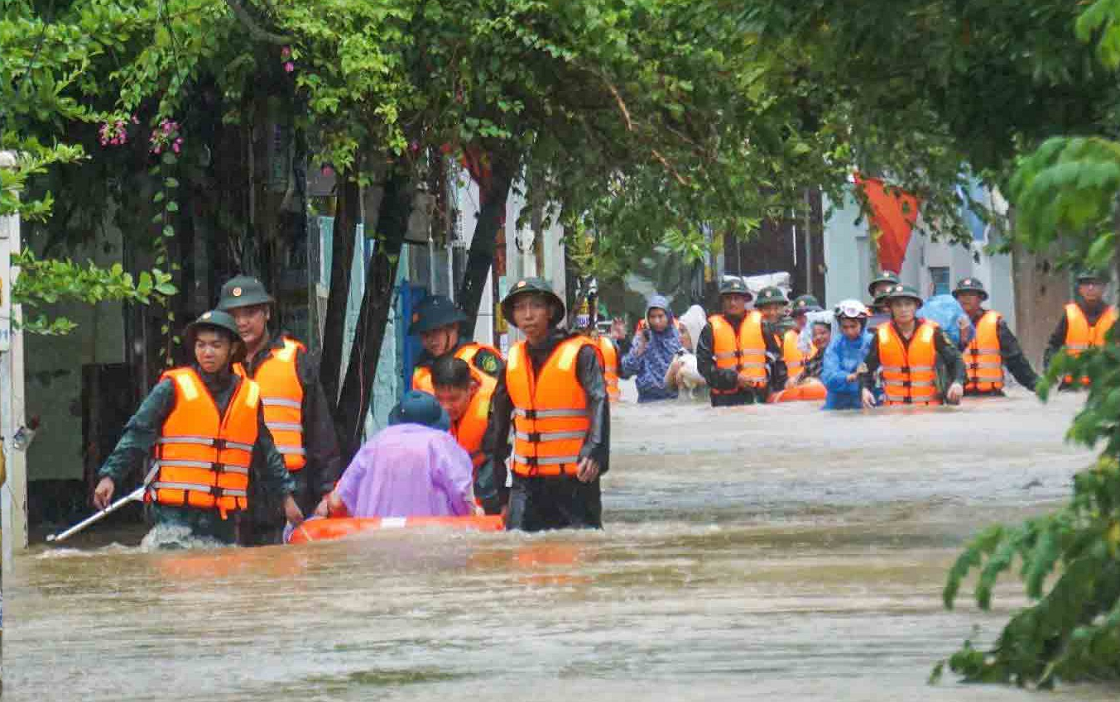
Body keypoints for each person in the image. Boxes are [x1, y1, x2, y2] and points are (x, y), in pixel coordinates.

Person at [92, 311, 302, 545]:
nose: (207, 352)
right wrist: (110, 476)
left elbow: (266, 453)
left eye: (215, 345)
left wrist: (286, 497)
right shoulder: (172, 387)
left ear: (232, 349)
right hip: (174, 514)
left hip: (223, 519)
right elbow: (138, 433)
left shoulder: (249, 395)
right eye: (201, 345)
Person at [215, 275, 341, 546]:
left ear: (267, 313)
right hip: (234, 487)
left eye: (249, 313)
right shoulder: (217, 366)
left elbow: (320, 431)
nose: (242, 322)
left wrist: (328, 492)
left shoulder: (295, 359)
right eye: (234, 315)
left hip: (292, 487)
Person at [485, 277, 609, 531]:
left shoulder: (581, 353)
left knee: (579, 557)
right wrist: (500, 492)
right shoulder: (513, 361)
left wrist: (596, 449)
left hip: (574, 481)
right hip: (525, 484)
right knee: (518, 555)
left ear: (550, 311)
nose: (528, 315)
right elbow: (497, 430)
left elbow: (600, 399)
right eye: (520, 308)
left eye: (535, 306)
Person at [326, 391, 479, 518]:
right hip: (431, 542)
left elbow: (336, 503)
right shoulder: (442, 444)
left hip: (374, 542)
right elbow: (463, 495)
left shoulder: (375, 444)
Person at [860, 285, 966, 407]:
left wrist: (958, 382)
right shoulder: (881, 334)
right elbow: (866, 367)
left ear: (916, 306)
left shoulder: (933, 331)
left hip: (929, 409)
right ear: (891, 308)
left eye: (908, 304)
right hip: (893, 410)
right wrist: (864, 389)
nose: (903, 309)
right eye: (898, 305)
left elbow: (956, 359)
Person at [696, 277, 787, 406]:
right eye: (728, 298)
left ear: (745, 300)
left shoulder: (762, 324)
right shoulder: (710, 328)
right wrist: (734, 378)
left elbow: (778, 361)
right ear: (722, 301)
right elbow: (703, 365)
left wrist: (778, 391)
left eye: (737, 298)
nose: (732, 303)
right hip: (724, 400)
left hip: (757, 396)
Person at [431, 356, 498, 511]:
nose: (446, 407)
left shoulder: (494, 410)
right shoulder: (428, 411)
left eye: (453, 399)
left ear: (472, 388)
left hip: (489, 489)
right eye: (439, 399)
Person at [951, 277, 1039, 396]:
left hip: (991, 395)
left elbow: (1016, 361)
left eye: (971, 294)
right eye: (962, 294)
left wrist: (1036, 385)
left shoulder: (996, 324)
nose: (966, 298)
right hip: (960, 395)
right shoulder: (949, 325)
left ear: (980, 298)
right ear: (956, 299)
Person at [409, 294, 503, 393]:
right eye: (425, 335)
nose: (431, 340)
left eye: (435, 331)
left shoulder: (479, 357)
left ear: (454, 327)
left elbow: (502, 397)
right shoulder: (422, 367)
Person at [1044, 270, 1118, 389]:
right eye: (1086, 284)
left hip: (1105, 387)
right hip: (1071, 386)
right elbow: (1054, 345)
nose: (1090, 288)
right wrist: (1050, 371)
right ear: (1080, 289)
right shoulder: (1070, 314)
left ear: (1104, 288)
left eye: (1095, 284)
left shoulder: (1115, 317)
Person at [621, 295, 683, 403]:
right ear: (647, 318)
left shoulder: (679, 337)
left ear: (668, 316)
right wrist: (641, 348)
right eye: (652, 317)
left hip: (674, 400)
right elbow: (627, 370)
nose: (656, 321)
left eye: (660, 316)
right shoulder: (642, 337)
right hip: (646, 400)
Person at [821, 301, 874, 410]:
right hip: (836, 402)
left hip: (865, 399)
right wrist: (849, 377)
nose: (849, 331)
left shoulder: (872, 342)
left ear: (862, 324)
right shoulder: (835, 345)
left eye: (853, 326)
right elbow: (828, 376)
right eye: (844, 327)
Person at [785, 294, 823, 382]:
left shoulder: (825, 338)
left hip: (820, 389)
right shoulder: (786, 338)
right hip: (793, 391)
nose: (802, 319)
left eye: (807, 315)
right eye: (798, 316)